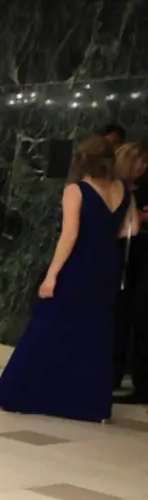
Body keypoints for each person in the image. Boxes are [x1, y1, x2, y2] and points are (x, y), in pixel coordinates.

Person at [0, 135, 135, 423]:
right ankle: (87, 403)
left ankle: (32, 394)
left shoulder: (76, 190)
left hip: (78, 263)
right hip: (107, 264)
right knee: (95, 331)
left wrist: (52, 275)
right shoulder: (122, 190)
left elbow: (69, 235)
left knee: (51, 324)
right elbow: (128, 229)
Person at [111, 141, 148, 397]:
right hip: (121, 257)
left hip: (142, 257)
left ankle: (141, 381)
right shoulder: (116, 189)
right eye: (140, 161)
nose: (143, 167)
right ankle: (112, 372)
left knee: (139, 318)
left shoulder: (142, 189)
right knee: (118, 317)